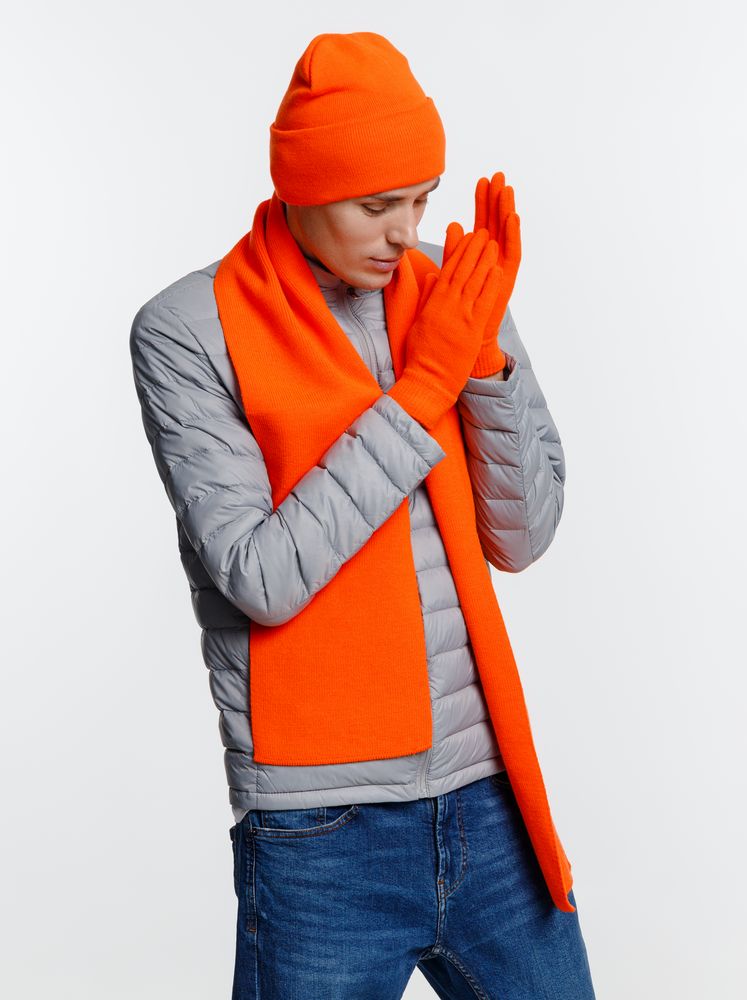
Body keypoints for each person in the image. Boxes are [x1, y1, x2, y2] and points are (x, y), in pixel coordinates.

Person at [129, 30, 596, 1000]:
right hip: (322, 830)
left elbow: (525, 535)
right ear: (302, 188)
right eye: (376, 205)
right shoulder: (187, 331)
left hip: (487, 793)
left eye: (420, 199)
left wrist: (483, 362)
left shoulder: (450, 294)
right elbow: (259, 575)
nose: (403, 232)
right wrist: (422, 392)